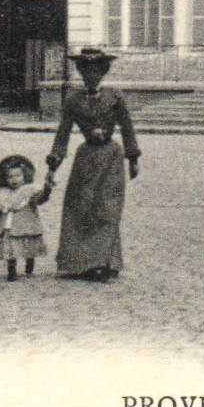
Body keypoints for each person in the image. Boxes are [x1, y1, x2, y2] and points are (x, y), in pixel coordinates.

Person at [47, 48, 140, 281]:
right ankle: (80, 262)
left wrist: (133, 158)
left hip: (111, 157)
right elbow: (63, 133)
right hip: (86, 158)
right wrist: (53, 164)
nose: (91, 76)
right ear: (80, 73)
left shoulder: (114, 97)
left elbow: (127, 127)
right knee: (81, 207)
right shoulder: (73, 99)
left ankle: (103, 262)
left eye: (96, 72)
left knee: (107, 208)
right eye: (86, 72)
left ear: (103, 73)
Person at [0, 154, 55, 281]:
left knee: (29, 246)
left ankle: (29, 266)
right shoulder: (1, 194)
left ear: (25, 175)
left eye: (18, 176)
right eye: (10, 177)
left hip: (27, 224)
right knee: (10, 248)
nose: (14, 180)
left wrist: (47, 189)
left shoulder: (30, 191)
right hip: (10, 225)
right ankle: (11, 270)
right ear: (4, 178)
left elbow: (40, 199)